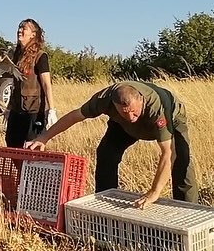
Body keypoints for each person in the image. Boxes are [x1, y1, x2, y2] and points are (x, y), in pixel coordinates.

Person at [26, 80, 199, 208]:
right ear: (114, 106)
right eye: (124, 113)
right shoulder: (104, 99)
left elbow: (169, 153)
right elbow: (75, 116)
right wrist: (44, 137)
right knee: (106, 153)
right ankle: (105, 202)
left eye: (133, 112)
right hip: (121, 126)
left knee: (182, 160)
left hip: (172, 119)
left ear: (141, 100)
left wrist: (154, 192)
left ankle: (189, 211)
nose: (131, 117)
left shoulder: (156, 107)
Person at [0, 18, 57, 148]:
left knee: (31, 148)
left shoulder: (40, 56)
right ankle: (19, 169)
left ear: (33, 34)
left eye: (24, 29)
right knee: (11, 145)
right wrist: (9, 108)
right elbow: (16, 86)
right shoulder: (16, 55)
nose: (20, 31)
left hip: (34, 111)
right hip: (17, 110)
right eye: (19, 28)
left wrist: (51, 110)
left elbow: (46, 84)